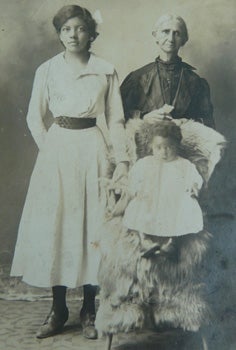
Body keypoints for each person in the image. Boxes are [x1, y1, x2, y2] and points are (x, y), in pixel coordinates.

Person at [10, 4, 129, 340]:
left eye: (79, 29)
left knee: (92, 225)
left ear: (91, 33)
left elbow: (116, 118)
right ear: (59, 34)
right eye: (66, 30)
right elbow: (35, 116)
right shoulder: (46, 70)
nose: (73, 35)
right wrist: (50, 148)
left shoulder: (106, 70)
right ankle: (58, 308)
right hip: (58, 151)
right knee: (58, 225)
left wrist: (120, 160)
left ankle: (89, 309)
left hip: (93, 149)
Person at [123, 120, 204, 258]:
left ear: (177, 146)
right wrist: (135, 189)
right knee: (141, 207)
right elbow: (133, 177)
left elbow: (195, 178)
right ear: (151, 147)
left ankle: (172, 242)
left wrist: (193, 186)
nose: (164, 152)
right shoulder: (145, 163)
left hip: (174, 199)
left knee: (182, 210)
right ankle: (145, 240)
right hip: (150, 198)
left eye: (169, 147)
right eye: (158, 147)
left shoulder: (184, 164)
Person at [120, 14, 215, 129]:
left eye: (177, 33)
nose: (171, 38)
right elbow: (117, 114)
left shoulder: (196, 82)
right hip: (147, 143)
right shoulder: (137, 78)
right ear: (155, 36)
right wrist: (143, 117)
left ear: (184, 40)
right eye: (166, 31)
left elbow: (208, 122)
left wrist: (186, 122)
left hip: (184, 143)